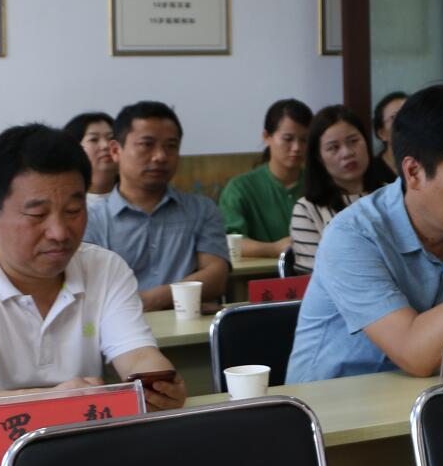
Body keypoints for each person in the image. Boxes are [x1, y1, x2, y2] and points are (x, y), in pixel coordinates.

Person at [0, 124, 187, 430]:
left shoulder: (104, 268)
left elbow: (137, 355)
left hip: (80, 446)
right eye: (37, 215)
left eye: (73, 210)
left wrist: (158, 384)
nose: (59, 232)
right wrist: (48, 402)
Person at [286, 87, 443, 383]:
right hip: (333, 405)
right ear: (414, 172)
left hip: (432, 398)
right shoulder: (352, 236)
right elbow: (414, 354)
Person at [83, 101, 228, 311]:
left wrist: (148, 300)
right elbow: (93, 290)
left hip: (189, 328)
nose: (160, 156)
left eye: (171, 146)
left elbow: (216, 276)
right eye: (146, 144)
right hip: (119, 330)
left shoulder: (202, 209)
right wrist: (178, 296)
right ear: (115, 150)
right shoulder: (91, 220)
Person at [289, 105, 396, 272]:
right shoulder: (307, 210)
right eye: (333, 147)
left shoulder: (393, 196)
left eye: (353, 141)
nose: (347, 153)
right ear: (318, 157)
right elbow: (315, 276)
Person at [217, 98, 312, 259]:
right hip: (259, 274)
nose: (297, 148)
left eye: (304, 140)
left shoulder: (319, 184)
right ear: (267, 137)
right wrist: (274, 249)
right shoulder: (240, 188)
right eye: (288, 139)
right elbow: (228, 241)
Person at [62, 111, 119, 203]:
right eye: (94, 139)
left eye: (111, 138)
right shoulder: (64, 203)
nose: (105, 145)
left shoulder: (139, 198)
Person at [373, 91, 407, 174]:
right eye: (395, 117)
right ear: (382, 134)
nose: (406, 121)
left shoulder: (427, 160)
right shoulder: (372, 170)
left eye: (409, 114)